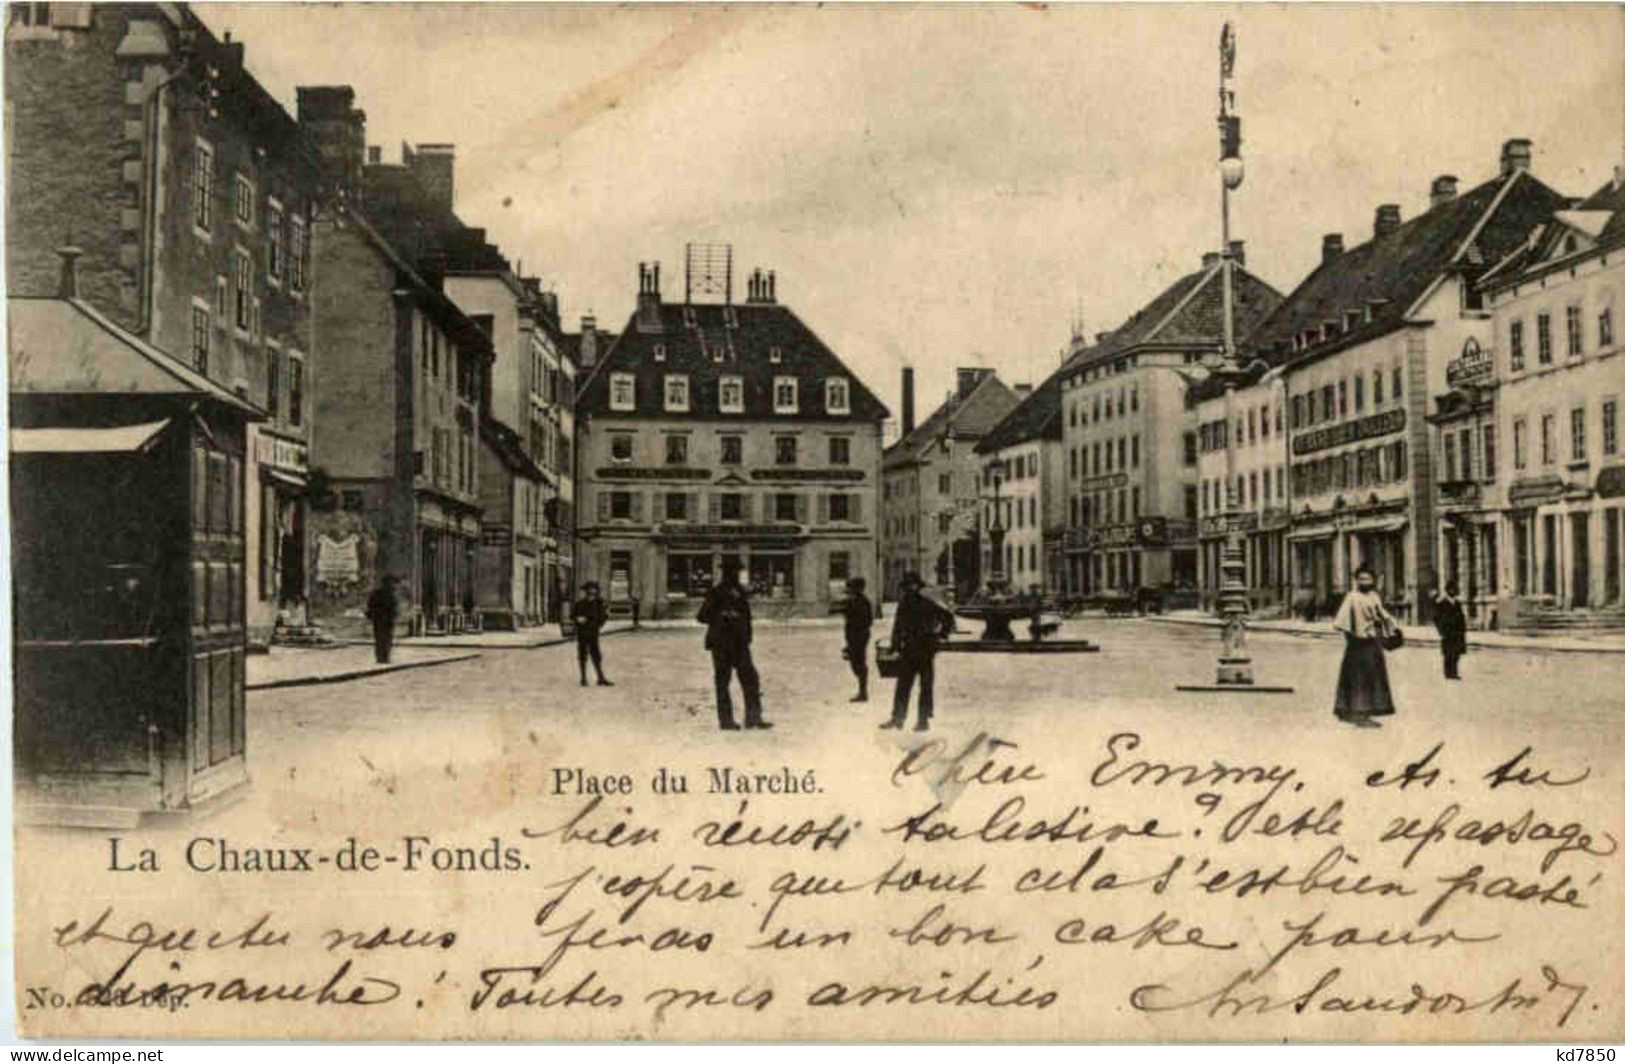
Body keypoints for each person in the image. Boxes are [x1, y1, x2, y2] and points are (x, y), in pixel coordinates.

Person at [697, 562, 769, 731]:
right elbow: (701, 616)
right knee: (722, 681)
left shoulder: (741, 593)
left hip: (740, 644)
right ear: (726, 574)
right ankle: (726, 721)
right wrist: (722, 616)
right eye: (732, 573)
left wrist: (747, 636)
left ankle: (753, 718)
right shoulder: (716, 593)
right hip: (721, 644)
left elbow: (747, 616)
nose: (735, 576)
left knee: (751, 679)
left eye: (737, 573)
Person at [883, 571, 953, 732]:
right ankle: (898, 719)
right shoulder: (905, 603)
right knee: (904, 685)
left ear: (917, 586)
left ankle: (922, 721)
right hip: (911, 649)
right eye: (907, 586)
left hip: (924, 649)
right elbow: (898, 627)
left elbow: (947, 618)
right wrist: (894, 646)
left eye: (912, 585)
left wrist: (940, 635)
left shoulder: (926, 603)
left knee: (924, 686)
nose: (909, 588)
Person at [1332, 566, 1399, 727]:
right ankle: (1358, 713)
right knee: (1358, 678)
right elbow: (1342, 620)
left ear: (1373, 580)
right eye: (1361, 579)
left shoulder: (1374, 596)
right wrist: (1353, 635)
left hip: (1373, 642)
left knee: (1373, 677)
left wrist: (1392, 628)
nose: (1365, 582)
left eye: (1368, 579)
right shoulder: (1352, 597)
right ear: (1356, 581)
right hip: (1357, 643)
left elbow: (1383, 615)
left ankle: (1366, 710)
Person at [572, 581, 612, 687]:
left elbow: (604, 616)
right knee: (582, 655)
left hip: (593, 632)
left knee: (596, 655)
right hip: (582, 633)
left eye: (594, 589)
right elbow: (573, 616)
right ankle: (583, 678)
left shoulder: (599, 604)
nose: (591, 591)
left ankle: (600, 678)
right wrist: (578, 620)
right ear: (586, 591)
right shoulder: (580, 603)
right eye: (589, 589)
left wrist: (599, 623)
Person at [841, 577, 874, 702]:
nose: (849, 591)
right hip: (852, 636)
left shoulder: (863, 602)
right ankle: (862, 690)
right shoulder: (852, 601)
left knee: (859, 663)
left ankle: (863, 691)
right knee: (855, 663)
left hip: (859, 636)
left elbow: (868, 620)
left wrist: (857, 631)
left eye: (851, 588)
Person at [1433, 580, 1467, 680]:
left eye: (1454, 589)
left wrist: (1463, 630)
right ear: (1447, 590)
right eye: (1451, 589)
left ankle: (1454, 672)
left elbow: (1461, 617)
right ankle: (1448, 673)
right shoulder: (1441, 603)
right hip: (1447, 632)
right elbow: (1436, 618)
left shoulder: (1457, 603)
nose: (1453, 591)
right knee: (1448, 654)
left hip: (1457, 633)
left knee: (1456, 654)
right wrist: (1441, 631)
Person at [365, 575, 400, 664]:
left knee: (380, 638)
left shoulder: (377, 593)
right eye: (392, 583)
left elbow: (370, 605)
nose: (393, 586)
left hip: (380, 620)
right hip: (384, 620)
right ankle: (384, 657)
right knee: (385, 638)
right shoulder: (388, 594)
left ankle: (381, 657)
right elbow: (393, 607)